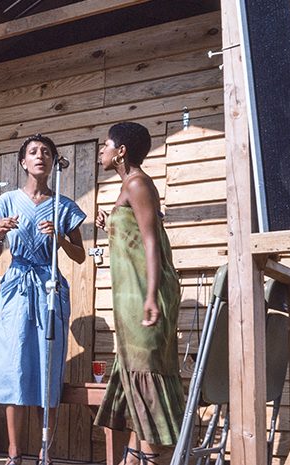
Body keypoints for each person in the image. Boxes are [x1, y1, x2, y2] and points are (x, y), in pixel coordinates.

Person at [0, 134, 86, 465]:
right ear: (23, 162)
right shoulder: (7, 202)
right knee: (13, 364)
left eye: (46, 152)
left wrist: (59, 237)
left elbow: (80, 256)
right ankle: (14, 452)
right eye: (32, 152)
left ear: (54, 161)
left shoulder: (64, 206)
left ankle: (46, 451)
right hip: (15, 284)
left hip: (48, 285)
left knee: (46, 362)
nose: (39, 156)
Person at [93, 122, 184, 465]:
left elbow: (151, 241)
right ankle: (135, 459)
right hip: (129, 297)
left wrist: (150, 296)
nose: (102, 151)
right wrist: (110, 222)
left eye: (106, 145)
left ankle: (153, 457)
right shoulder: (128, 187)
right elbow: (134, 227)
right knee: (134, 371)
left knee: (146, 371)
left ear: (121, 152)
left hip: (145, 294)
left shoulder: (138, 183)